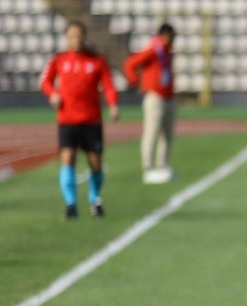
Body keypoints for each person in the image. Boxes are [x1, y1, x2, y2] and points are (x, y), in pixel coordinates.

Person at [40, 20, 120, 220]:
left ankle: (94, 199)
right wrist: (52, 95)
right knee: (67, 159)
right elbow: (45, 81)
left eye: (79, 35)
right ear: (67, 38)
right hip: (67, 119)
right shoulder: (59, 60)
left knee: (95, 162)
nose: (76, 39)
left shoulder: (96, 61)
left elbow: (108, 84)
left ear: (84, 37)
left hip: (91, 120)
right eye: (72, 36)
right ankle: (71, 204)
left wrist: (113, 104)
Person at [123, 22, 177, 184]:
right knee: (151, 133)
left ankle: (163, 166)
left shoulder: (167, 52)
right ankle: (148, 168)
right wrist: (136, 81)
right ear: (165, 35)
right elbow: (130, 63)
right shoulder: (154, 49)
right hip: (155, 97)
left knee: (167, 135)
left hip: (168, 97)